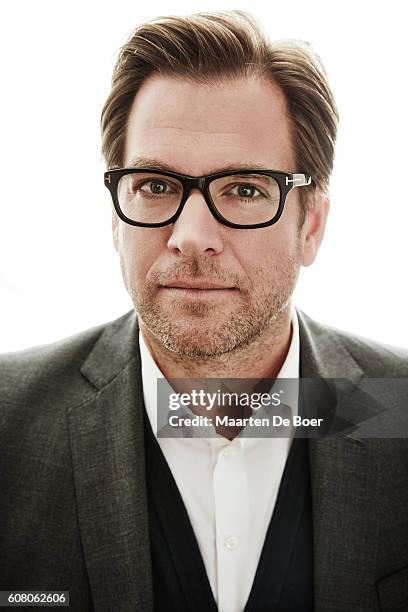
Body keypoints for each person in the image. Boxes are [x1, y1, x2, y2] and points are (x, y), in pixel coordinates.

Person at [1, 10, 407, 612]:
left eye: (244, 190)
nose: (192, 235)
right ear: (116, 215)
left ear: (311, 226)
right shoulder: (9, 426)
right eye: (156, 186)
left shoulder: (392, 409)